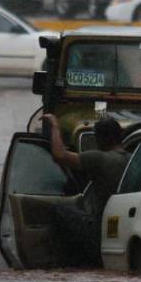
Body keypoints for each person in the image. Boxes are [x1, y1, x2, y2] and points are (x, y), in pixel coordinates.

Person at [42, 114, 130, 267]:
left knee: (58, 211)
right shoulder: (133, 160)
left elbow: (59, 155)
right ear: (120, 135)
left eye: (96, 137)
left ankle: (66, 264)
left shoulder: (99, 159)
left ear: (104, 139)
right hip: (124, 230)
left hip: (100, 231)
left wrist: (55, 125)